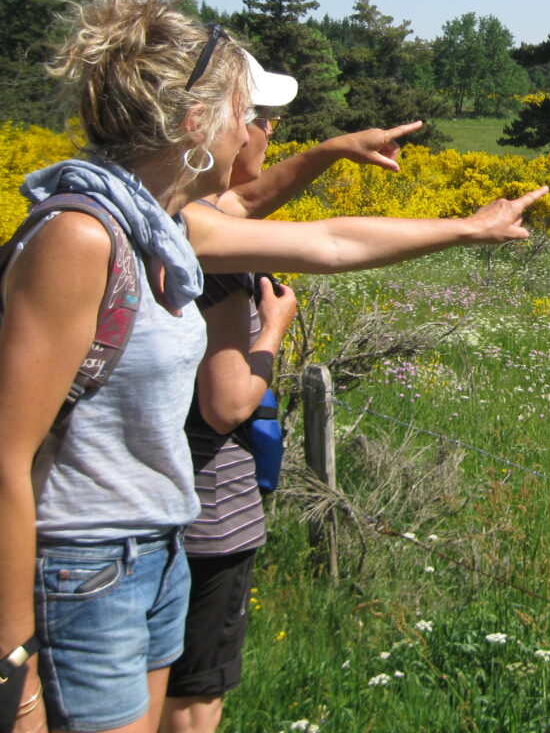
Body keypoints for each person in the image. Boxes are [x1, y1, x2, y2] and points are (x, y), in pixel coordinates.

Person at [0, 0, 546, 733]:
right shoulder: (82, 235)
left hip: (157, 547)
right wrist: (17, 681)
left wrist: (468, 227)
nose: (251, 130)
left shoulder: (165, 222)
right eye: (246, 112)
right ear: (196, 119)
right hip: (86, 563)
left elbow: (329, 241)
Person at [162, 57, 421, 733]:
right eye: (260, 119)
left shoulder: (166, 212)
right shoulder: (203, 249)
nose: (269, 133)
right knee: (192, 698)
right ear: (209, 128)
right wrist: (272, 331)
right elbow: (226, 404)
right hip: (206, 514)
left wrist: (333, 151)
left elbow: (251, 199)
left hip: (165, 511)